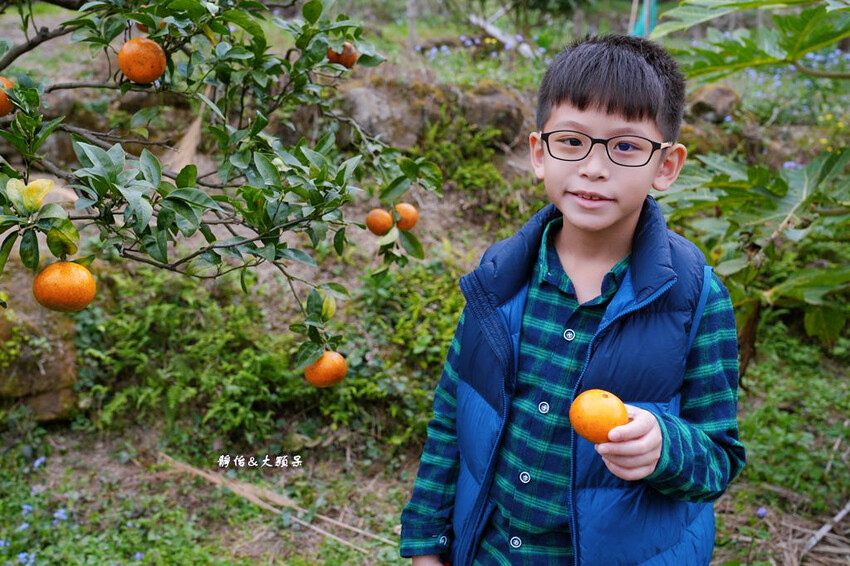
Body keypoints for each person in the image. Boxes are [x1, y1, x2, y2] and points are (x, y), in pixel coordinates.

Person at [399, 33, 746, 566]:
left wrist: (666, 448)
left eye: (625, 146)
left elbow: (718, 458)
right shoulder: (500, 279)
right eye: (571, 141)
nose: (594, 167)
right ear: (540, 153)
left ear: (666, 167)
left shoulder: (694, 298)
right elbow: (453, 415)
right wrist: (427, 542)